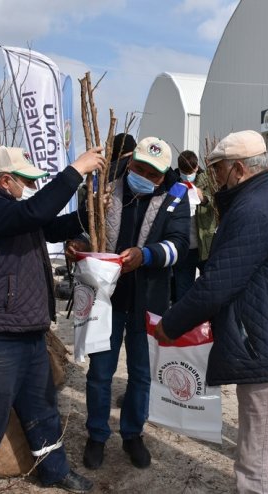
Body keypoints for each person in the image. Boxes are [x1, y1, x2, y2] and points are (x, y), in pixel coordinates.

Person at [153, 130, 268, 493]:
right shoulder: (266, 200)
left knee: (256, 464)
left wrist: (171, 324)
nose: (212, 178)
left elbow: (217, 283)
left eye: (216, 170)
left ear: (239, 169)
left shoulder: (254, 211)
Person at [0, 145, 105, 492]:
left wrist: (89, 211)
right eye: (24, 180)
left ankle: (55, 471)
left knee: (42, 409)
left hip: (27, 333)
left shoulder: (13, 212)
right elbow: (36, 214)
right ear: (6, 180)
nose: (29, 187)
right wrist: (76, 170)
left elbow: (49, 225)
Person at [71, 137, 190, 471]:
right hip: (105, 299)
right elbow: (85, 225)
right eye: (138, 167)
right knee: (100, 373)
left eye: (152, 173)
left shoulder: (177, 196)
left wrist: (146, 255)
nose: (143, 175)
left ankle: (132, 434)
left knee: (140, 374)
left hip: (147, 300)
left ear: (163, 174)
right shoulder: (106, 187)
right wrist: (78, 243)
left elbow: (180, 245)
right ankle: (97, 435)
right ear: (130, 162)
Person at [171, 150, 206, 301]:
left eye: (190, 172)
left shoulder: (207, 180)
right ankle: (185, 324)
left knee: (208, 289)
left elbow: (215, 202)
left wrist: (204, 198)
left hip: (204, 245)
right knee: (183, 292)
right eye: (184, 172)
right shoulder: (172, 182)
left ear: (197, 167)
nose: (187, 175)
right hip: (183, 248)